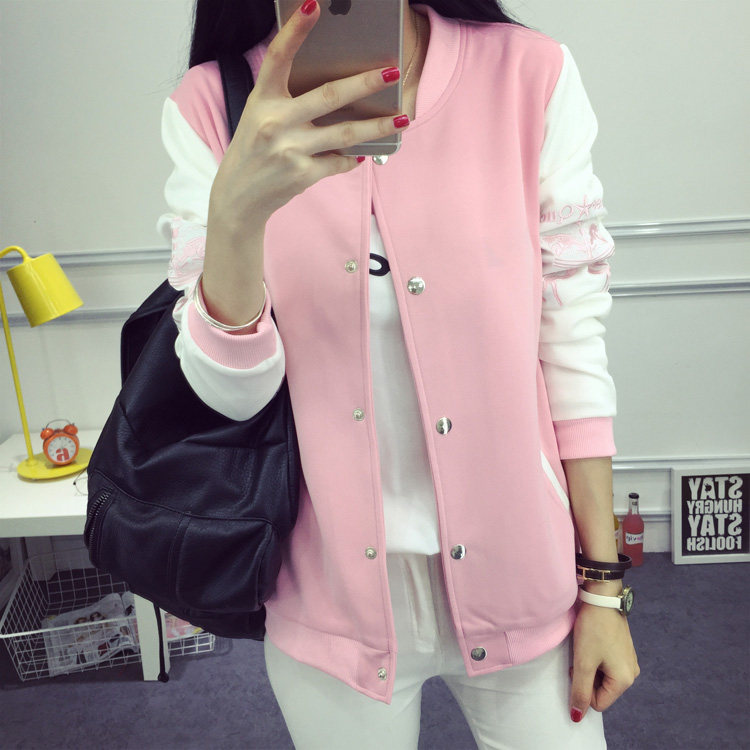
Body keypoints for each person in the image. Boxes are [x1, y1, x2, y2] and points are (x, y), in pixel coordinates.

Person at [156, 0, 640, 747]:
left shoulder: (527, 74)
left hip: (525, 579)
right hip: (330, 605)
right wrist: (236, 216)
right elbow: (233, 396)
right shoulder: (214, 108)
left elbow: (572, 348)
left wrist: (602, 591)